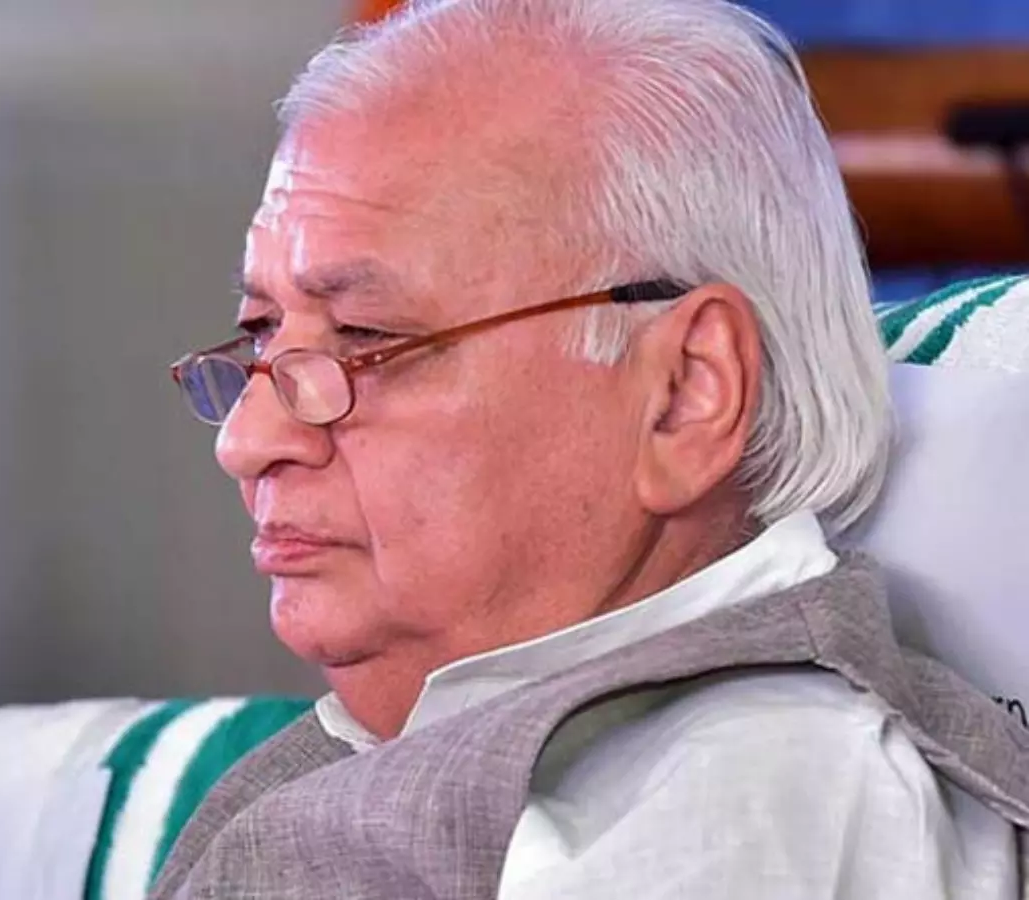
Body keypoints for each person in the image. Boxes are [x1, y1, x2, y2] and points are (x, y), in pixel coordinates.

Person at [161, 0, 1029, 897]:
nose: (247, 440)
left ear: (685, 392)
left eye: (365, 336)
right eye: (261, 332)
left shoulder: (746, 804)